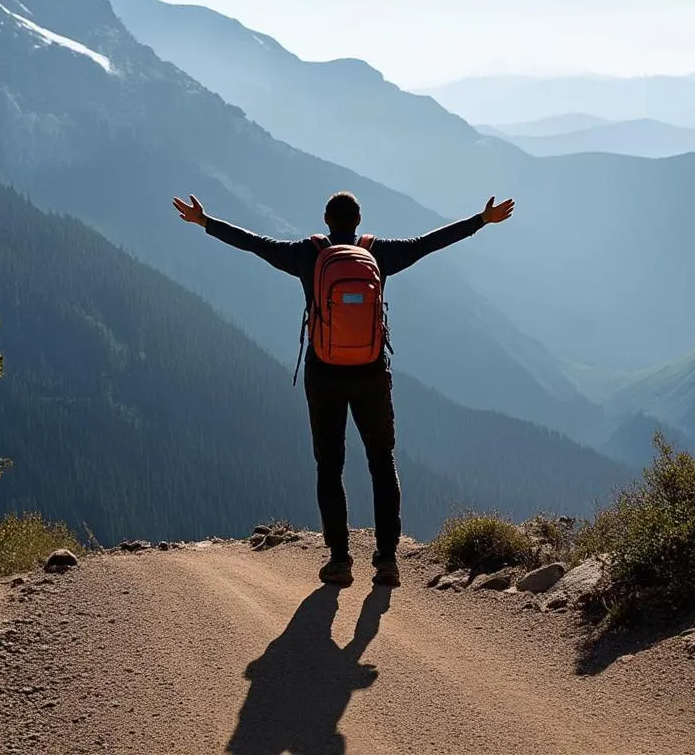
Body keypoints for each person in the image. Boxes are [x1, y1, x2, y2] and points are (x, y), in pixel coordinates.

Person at [172, 190, 514, 587]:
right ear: (359, 220)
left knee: (330, 466)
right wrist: (480, 220)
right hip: (371, 373)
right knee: (382, 464)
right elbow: (428, 243)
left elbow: (256, 245)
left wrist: (206, 222)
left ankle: (339, 561)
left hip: (325, 375)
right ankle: (387, 560)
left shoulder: (308, 254)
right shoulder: (378, 253)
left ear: (326, 220)